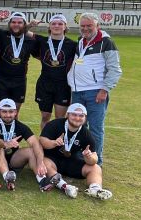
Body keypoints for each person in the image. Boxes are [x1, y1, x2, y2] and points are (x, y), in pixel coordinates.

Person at [67, 13, 122, 165]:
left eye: (89, 26)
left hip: (95, 92)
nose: (85, 29)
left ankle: (96, 162)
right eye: (82, 26)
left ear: (97, 26)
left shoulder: (107, 42)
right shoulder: (81, 41)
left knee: (96, 129)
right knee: (78, 127)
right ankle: (80, 158)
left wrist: (104, 90)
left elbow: (115, 70)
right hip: (78, 92)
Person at [39, 103, 112, 200]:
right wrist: (53, 143)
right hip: (53, 160)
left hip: (71, 161)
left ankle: (95, 189)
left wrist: (89, 157)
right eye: (74, 114)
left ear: (85, 118)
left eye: (81, 116)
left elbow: (94, 158)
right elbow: (42, 141)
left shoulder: (86, 134)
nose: (77, 118)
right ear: (67, 115)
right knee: (43, 163)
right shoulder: (55, 124)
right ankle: (65, 187)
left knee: (96, 167)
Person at [0, 98, 47, 191]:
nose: (8, 115)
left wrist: (40, 162)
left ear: (15, 112)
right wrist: (6, 144)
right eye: (4, 112)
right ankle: (7, 177)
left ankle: (42, 180)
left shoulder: (21, 127)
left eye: (11, 112)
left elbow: (35, 143)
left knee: (31, 150)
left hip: (13, 159)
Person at [31, 15, 77, 128]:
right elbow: (21, 32)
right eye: (54, 23)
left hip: (63, 85)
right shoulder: (41, 41)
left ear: (65, 27)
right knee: (45, 117)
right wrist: (30, 25)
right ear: (49, 27)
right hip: (44, 85)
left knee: (60, 119)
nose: (57, 26)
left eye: (60, 24)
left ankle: (59, 144)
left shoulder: (73, 45)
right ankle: (44, 143)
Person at [0, 11, 37, 110]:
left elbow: (40, 54)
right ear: (9, 24)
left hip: (20, 81)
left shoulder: (30, 40)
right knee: (0, 111)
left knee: (14, 113)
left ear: (24, 24)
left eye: (19, 22)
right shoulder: (1, 34)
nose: (16, 25)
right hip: (0, 80)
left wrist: (30, 27)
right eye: (13, 22)